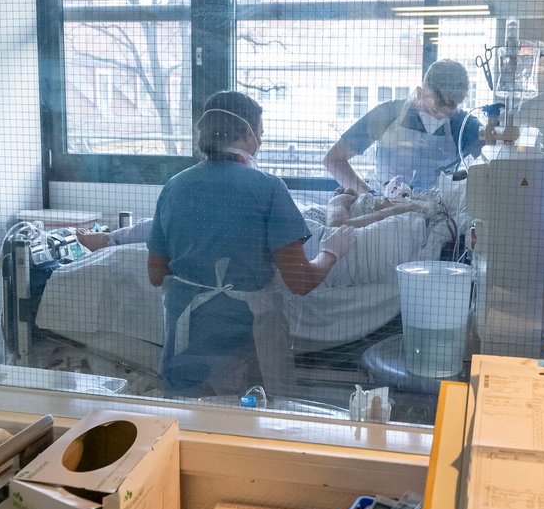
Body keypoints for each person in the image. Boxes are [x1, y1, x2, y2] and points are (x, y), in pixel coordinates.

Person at [148, 91, 356, 397]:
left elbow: (156, 275)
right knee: (250, 425)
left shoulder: (174, 186)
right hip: (245, 347)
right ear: (246, 133)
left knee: (190, 428)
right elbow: (300, 281)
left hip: (187, 342)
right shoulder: (267, 188)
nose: (260, 140)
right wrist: (332, 250)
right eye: (259, 133)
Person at [322, 59, 481, 195]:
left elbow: (499, 164)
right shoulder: (386, 114)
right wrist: (370, 197)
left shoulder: (465, 126)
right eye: (433, 110)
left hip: (435, 215)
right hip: (383, 209)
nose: (438, 119)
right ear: (420, 94)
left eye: (448, 114)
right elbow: (334, 159)